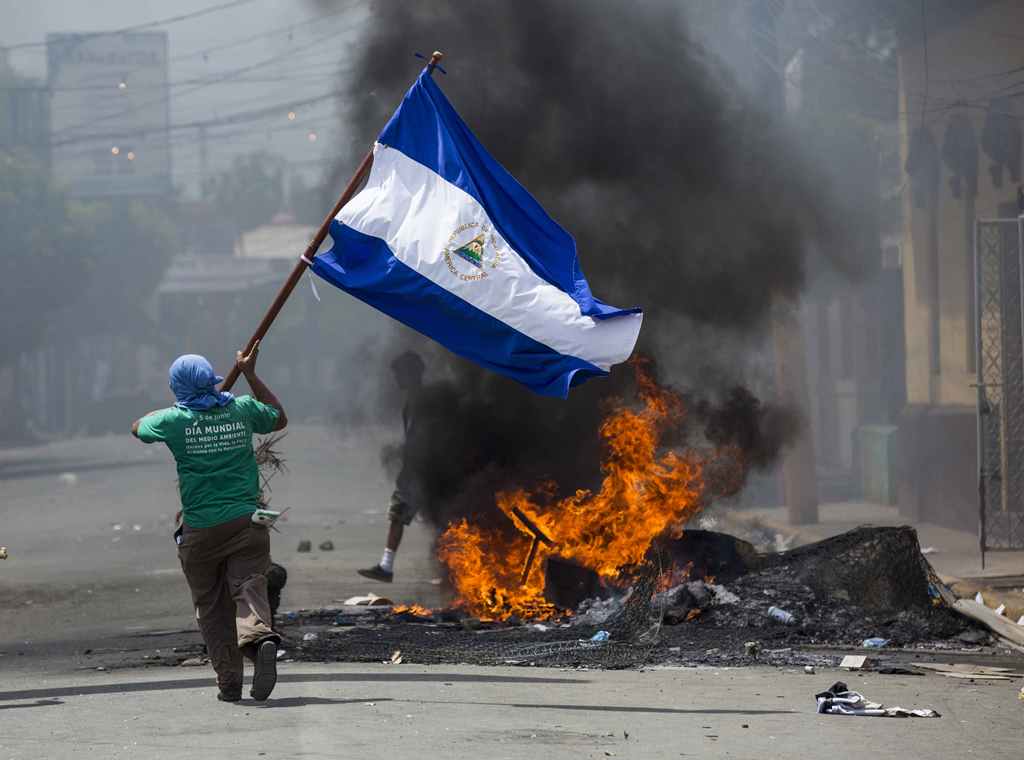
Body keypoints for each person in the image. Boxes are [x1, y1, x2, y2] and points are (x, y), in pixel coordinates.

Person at [132, 343, 287, 703]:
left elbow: (137, 427)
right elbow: (278, 418)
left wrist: (181, 407)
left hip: (201, 529)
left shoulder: (174, 421)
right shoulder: (243, 408)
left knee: (212, 605)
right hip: (247, 523)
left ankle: (229, 681)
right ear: (213, 382)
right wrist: (249, 374)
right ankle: (259, 638)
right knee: (249, 586)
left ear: (178, 390)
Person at [358, 351, 426, 583]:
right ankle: (386, 566)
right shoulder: (417, 398)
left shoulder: (419, 400)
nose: (396, 379)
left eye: (399, 373)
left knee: (398, 514)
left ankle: (386, 567)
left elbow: (421, 437)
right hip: (423, 468)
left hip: (421, 470)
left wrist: (411, 466)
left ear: (410, 374)